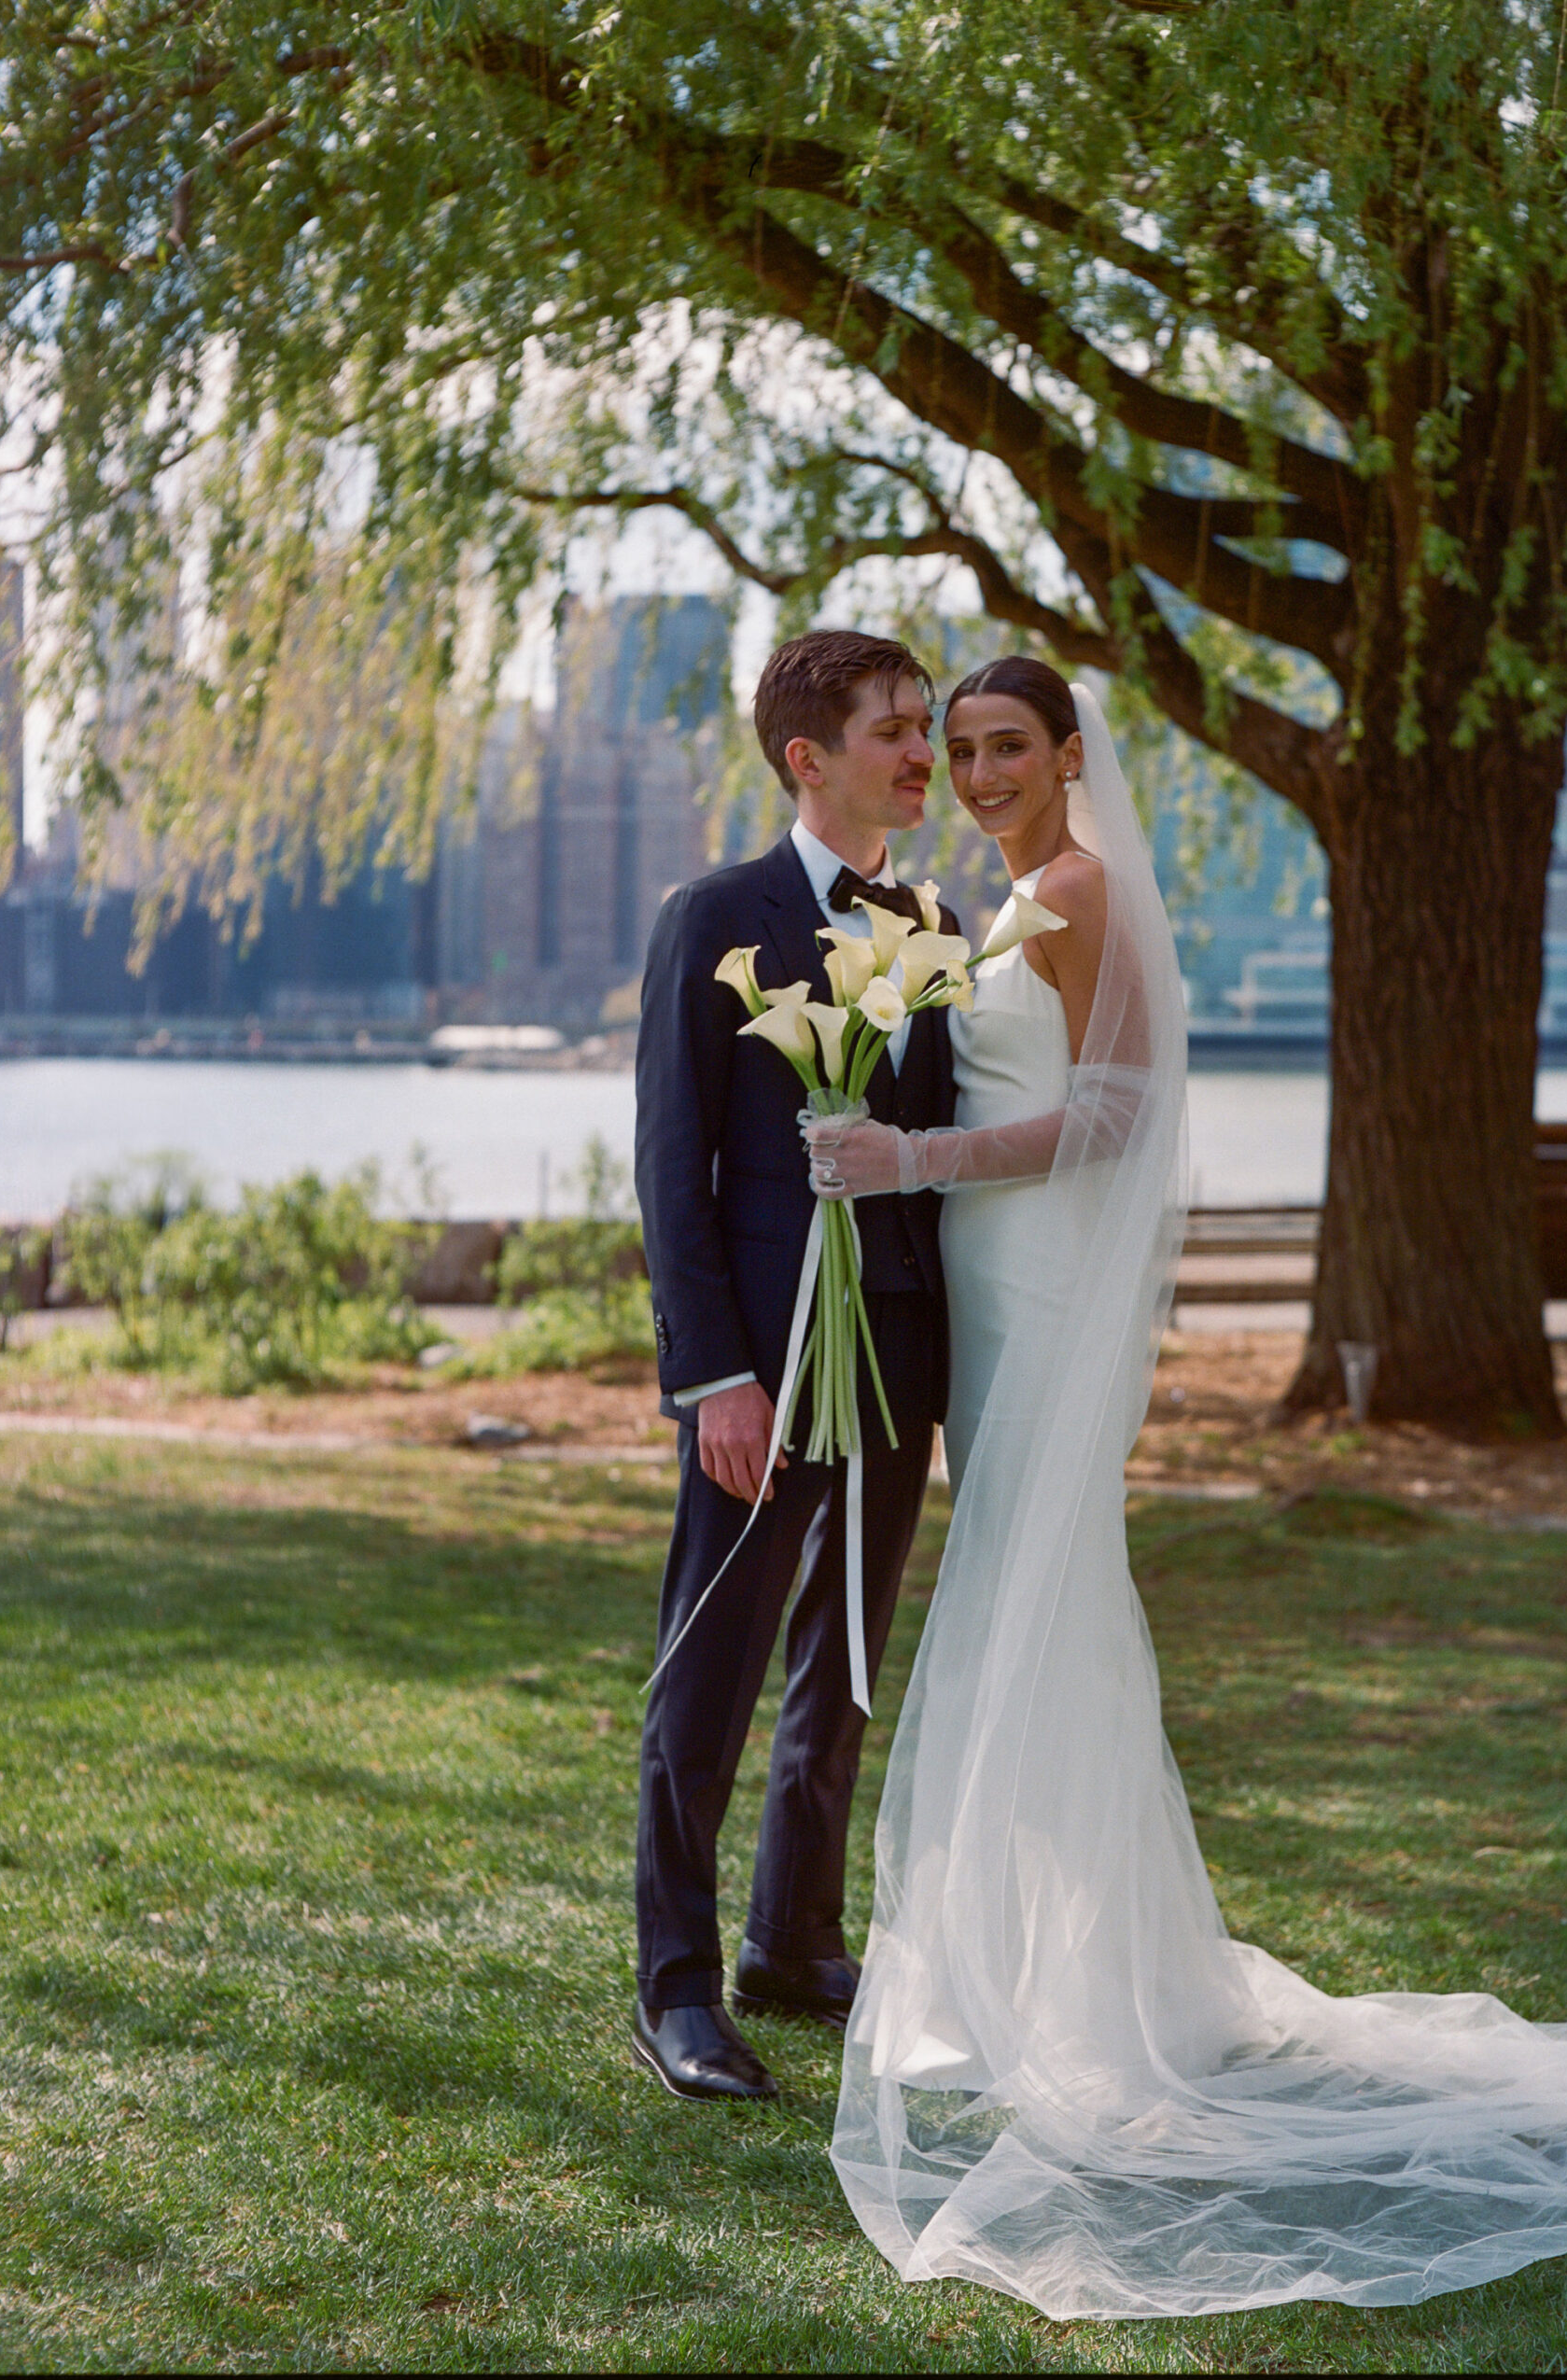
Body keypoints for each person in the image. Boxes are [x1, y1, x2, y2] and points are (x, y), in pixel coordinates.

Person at [800, 659, 1567, 2320]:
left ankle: (1075, 1997)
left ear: (1068, 754)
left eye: (1006, 746)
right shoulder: (1004, 893)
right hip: (980, 1279)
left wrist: (917, 1162)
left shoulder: (1088, 888)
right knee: (1028, 1599)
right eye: (958, 749)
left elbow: (1111, 1118)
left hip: (1036, 1274)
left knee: (1038, 1599)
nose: (975, 770)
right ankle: (1047, 1972)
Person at [629, 630, 959, 2103]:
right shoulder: (716, 912)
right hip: (762, 1367)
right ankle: (678, 1990)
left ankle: (791, 1940)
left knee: (847, 1665)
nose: (924, 752)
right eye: (895, 728)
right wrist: (713, 1377)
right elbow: (670, 1165)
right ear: (806, 757)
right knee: (711, 1667)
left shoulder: (935, 923)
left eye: (928, 726)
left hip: (893, 1354)